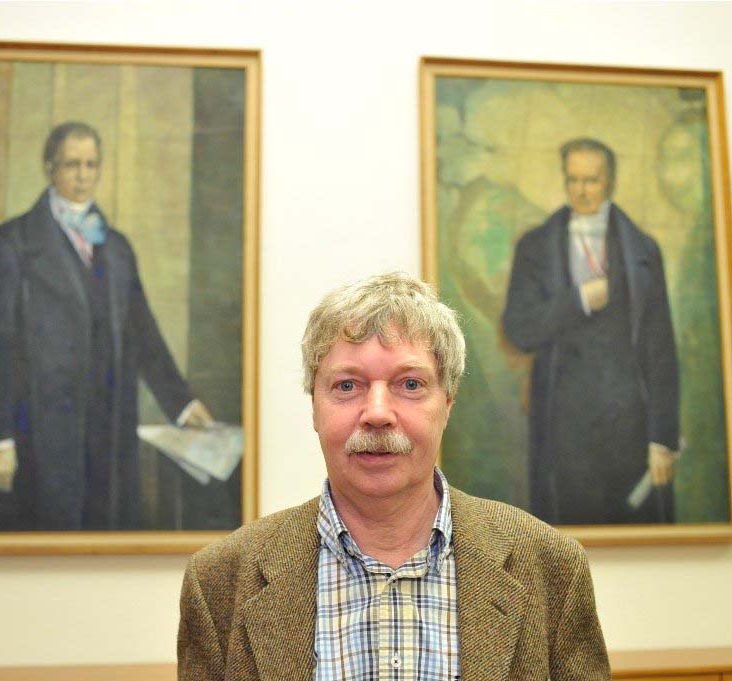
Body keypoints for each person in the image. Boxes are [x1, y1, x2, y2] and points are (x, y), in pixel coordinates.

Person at [177, 272, 609, 680]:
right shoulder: (220, 582)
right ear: (314, 407)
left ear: (448, 404)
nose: (378, 413)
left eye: (410, 385)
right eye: (347, 386)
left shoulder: (551, 567)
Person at [0, 121, 212, 531]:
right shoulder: (10, 244)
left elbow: (143, 332)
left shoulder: (116, 248)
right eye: (71, 165)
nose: (82, 175)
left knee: (106, 535)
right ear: (50, 169)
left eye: (91, 164)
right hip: (39, 431)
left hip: (108, 426)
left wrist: (181, 403)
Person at [502, 137, 680, 526]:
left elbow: (661, 348)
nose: (581, 191)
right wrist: (578, 299)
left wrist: (662, 438)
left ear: (611, 182)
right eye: (573, 180)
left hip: (630, 422)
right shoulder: (536, 246)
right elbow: (518, 329)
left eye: (592, 181)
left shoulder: (644, 250)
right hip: (564, 425)